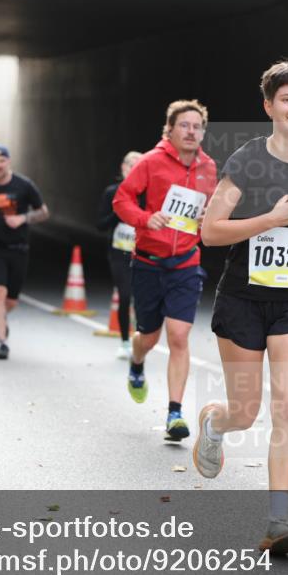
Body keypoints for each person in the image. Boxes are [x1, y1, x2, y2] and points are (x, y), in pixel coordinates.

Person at [194, 59, 288, 554]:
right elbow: (210, 231)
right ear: (269, 106)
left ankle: (278, 521)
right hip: (242, 298)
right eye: (287, 99)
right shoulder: (245, 161)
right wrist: (267, 220)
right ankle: (214, 425)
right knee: (246, 411)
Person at [113, 100, 218, 440]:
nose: (191, 131)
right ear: (169, 129)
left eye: (197, 126)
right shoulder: (151, 162)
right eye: (184, 125)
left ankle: (175, 412)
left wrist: (209, 218)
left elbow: (215, 206)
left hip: (186, 262)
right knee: (149, 336)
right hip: (148, 261)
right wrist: (146, 218)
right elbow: (122, 200)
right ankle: (137, 361)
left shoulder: (208, 168)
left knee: (179, 336)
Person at [0, 146, 49, 360]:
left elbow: (43, 212)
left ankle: (0, 317)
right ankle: (2, 341)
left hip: (19, 249)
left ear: (8, 162)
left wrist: (23, 218)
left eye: (1, 160)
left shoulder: (24, 185)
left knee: (11, 301)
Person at [97, 150, 143, 359]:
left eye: (138, 164)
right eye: (130, 164)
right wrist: (119, 210)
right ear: (123, 168)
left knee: (143, 298)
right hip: (119, 252)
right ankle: (125, 342)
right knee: (125, 296)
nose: (133, 168)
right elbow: (100, 225)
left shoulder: (148, 193)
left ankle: (141, 339)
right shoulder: (112, 193)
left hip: (144, 252)